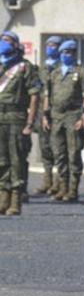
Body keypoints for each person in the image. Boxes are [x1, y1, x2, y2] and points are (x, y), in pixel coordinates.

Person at [43, 39, 84, 202]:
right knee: (59, 153)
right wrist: (45, 115)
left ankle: (73, 189)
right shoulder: (54, 73)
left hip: (73, 116)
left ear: (74, 54)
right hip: (56, 117)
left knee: (74, 153)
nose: (65, 55)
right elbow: (47, 95)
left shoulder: (80, 72)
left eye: (69, 52)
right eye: (63, 52)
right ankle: (62, 187)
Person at [0, 31, 41, 215]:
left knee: (16, 159)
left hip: (16, 118)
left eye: (8, 41)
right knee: (1, 160)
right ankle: (3, 197)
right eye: (2, 40)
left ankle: (16, 199)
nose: (4, 43)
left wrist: (30, 122)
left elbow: (34, 96)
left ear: (16, 45)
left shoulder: (25, 67)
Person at [36, 35, 63, 196]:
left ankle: (60, 182)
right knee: (45, 147)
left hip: (59, 112)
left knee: (59, 148)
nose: (50, 47)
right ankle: (47, 180)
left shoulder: (63, 67)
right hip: (42, 112)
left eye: (54, 45)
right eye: (49, 44)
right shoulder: (42, 68)